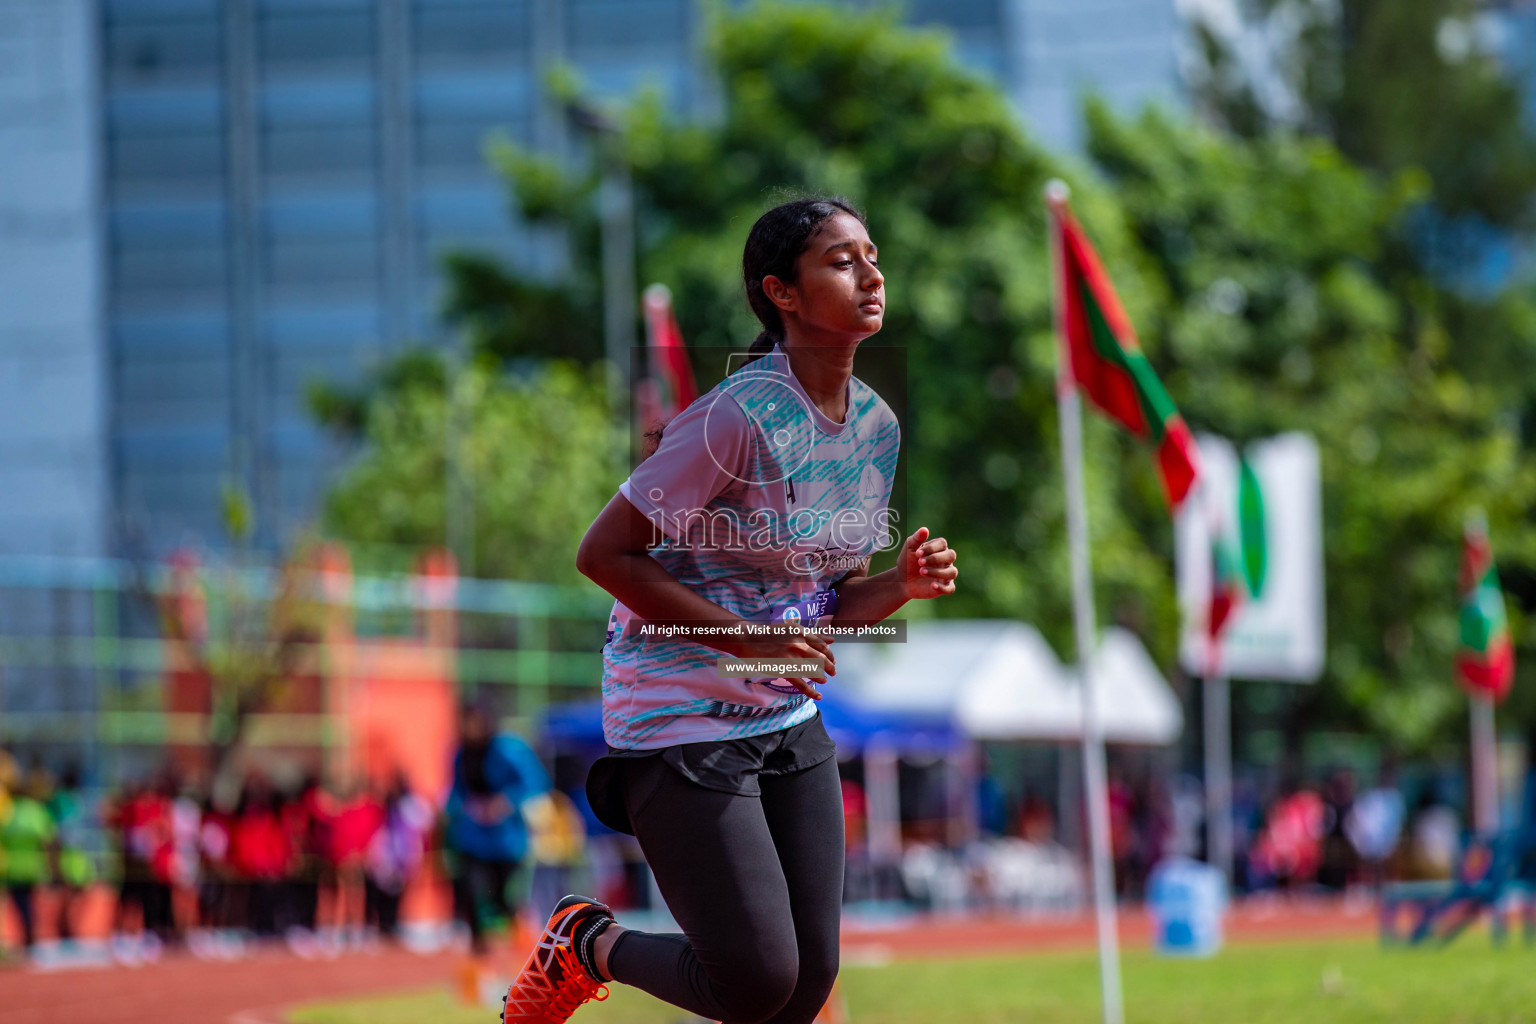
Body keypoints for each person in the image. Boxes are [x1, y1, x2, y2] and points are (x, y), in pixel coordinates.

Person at [502, 196, 959, 1024]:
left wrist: (898, 585)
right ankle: (585, 942)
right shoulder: (731, 418)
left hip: (785, 716)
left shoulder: (876, 430)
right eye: (842, 259)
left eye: (872, 254)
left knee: (806, 983)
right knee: (753, 978)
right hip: (680, 718)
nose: (872, 273)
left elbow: (823, 604)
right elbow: (603, 555)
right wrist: (751, 644)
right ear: (781, 292)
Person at [445, 701, 551, 957]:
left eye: (473, 721)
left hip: (506, 841)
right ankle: (478, 952)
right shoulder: (460, 753)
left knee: (504, 901)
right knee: (470, 890)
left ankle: (522, 947)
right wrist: (465, 807)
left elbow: (536, 782)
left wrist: (505, 802)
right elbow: (455, 792)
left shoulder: (508, 748)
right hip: (472, 839)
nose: (468, 728)